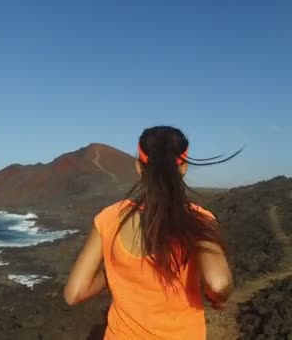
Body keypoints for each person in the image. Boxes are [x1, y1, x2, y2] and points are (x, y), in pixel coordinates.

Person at [63, 126, 242, 339]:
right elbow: (218, 283)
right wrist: (217, 299)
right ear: (183, 167)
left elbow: (74, 294)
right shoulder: (198, 220)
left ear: (139, 167)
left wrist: (112, 272)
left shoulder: (109, 217)